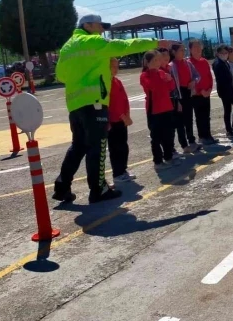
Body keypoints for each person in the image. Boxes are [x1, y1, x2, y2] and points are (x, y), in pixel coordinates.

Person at [53, 14, 160, 204]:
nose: (103, 29)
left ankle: (62, 187)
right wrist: (154, 42)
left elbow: (61, 75)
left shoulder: (67, 46)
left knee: (78, 146)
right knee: (97, 147)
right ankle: (98, 189)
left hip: (75, 105)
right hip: (94, 103)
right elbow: (124, 46)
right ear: (87, 25)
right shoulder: (93, 41)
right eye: (100, 25)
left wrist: (83, 72)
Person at [141, 51, 180, 169]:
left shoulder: (162, 72)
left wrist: (169, 79)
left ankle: (168, 157)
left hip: (166, 107)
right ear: (147, 63)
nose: (158, 63)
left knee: (168, 135)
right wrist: (162, 77)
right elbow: (153, 86)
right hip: (154, 110)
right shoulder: (145, 75)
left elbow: (171, 87)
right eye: (155, 61)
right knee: (156, 137)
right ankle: (158, 161)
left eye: (159, 60)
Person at [107, 58, 136, 183]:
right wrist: (120, 117)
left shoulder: (117, 81)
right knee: (115, 148)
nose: (115, 69)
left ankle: (123, 170)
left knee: (123, 146)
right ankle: (117, 173)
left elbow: (125, 100)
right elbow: (107, 104)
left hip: (122, 120)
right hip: (113, 121)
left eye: (117, 66)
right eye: (112, 66)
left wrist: (127, 116)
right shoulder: (105, 83)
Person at [169, 43, 201, 153]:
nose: (183, 52)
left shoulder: (188, 63)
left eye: (184, 50)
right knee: (180, 122)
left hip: (188, 92)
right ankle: (184, 144)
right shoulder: (171, 66)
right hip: (179, 94)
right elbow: (171, 85)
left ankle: (191, 140)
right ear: (174, 52)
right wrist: (177, 99)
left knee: (189, 118)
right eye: (181, 50)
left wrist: (194, 81)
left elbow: (197, 75)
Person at [188, 39, 217, 145]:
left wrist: (209, 89)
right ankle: (202, 137)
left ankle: (208, 135)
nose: (197, 49)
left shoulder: (204, 61)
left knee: (207, 116)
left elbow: (209, 77)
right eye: (194, 47)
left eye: (199, 46)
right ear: (190, 49)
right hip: (196, 95)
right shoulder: (189, 63)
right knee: (199, 117)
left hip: (206, 93)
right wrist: (201, 91)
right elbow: (191, 80)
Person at [212, 44, 233, 137]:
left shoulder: (225, 62)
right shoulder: (218, 63)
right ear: (218, 53)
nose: (225, 54)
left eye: (226, 53)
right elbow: (221, 79)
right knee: (228, 110)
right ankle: (229, 130)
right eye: (222, 53)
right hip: (225, 91)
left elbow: (230, 77)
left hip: (231, 89)